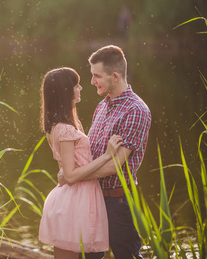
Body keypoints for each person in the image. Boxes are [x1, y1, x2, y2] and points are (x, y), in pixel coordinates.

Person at [61, 45, 152, 258]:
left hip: (117, 202)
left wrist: (72, 176)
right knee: (89, 256)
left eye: (96, 76)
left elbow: (114, 166)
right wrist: (70, 172)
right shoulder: (102, 106)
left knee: (126, 255)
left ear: (115, 76)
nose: (92, 82)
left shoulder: (136, 110)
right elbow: (91, 154)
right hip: (93, 197)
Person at [38, 67, 123, 259]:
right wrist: (107, 155)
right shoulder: (65, 129)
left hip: (74, 198)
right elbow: (70, 175)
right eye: (76, 85)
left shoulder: (58, 126)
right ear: (66, 91)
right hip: (76, 200)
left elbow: (68, 168)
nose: (81, 88)